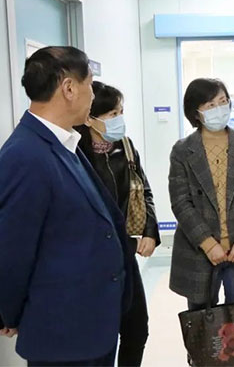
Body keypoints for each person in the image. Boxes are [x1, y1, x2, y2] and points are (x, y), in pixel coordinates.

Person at [0, 47, 134, 367]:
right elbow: (7, 254)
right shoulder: (25, 155)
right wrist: (12, 312)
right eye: (89, 85)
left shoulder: (64, 144)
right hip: (62, 336)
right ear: (69, 88)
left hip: (91, 327)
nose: (92, 95)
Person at [168, 78, 234, 329]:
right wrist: (208, 244)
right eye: (210, 105)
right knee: (204, 327)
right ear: (196, 112)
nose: (219, 109)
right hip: (200, 251)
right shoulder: (182, 150)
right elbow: (181, 201)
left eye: (223, 101)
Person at [75, 81, 160, 367]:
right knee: (102, 335)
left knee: (137, 329)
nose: (119, 119)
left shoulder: (125, 146)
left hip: (124, 252)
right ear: (90, 118)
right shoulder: (75, 154)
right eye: (112, 114)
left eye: (121, 112)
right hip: (93, 260)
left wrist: (150, 231)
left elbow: (143, 188)